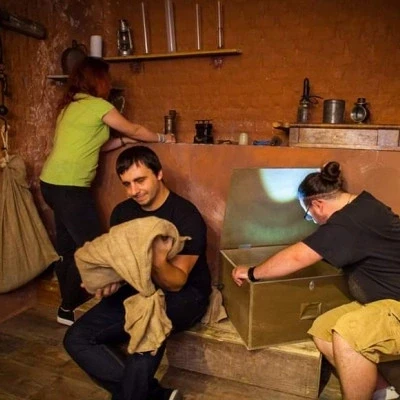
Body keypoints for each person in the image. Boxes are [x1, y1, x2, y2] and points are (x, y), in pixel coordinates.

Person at [232, 161, 400, 400]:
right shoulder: (361, 206)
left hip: (396, 305)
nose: (313, 220)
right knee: (323, 330)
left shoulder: (348, 222)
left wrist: (251, 272)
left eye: (309, 215)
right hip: (382, 302)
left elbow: (298, 256)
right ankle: (384, 394)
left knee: (347, 333)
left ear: (318, 204)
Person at [63, 145, 212, 400]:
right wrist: (111, 281)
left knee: (145, 335)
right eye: (127, 184)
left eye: (140, 180)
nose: (134, 191)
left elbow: (177, 282)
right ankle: (154, 395)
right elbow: (121, 265)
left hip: (185, 295)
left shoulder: (185, 215)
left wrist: (156, 259)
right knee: (76, 338)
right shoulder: (123, 213)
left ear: (159, 174)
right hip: (138, 289)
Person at [40, 57, 175, 326]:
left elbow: (96, 146)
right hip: (70, 188)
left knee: (68, 248)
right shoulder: (99, 106)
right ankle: (78, 308)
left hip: (50, 183)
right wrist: (163, 138)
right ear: (98, 80)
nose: (110, 84)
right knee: (95, 249)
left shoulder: (70, 107)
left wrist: (123, 141)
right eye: (107, 79)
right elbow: (134, 128)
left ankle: (67, 306)